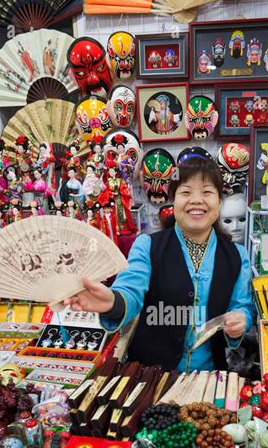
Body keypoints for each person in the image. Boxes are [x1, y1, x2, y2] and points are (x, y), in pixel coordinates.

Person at [64, 156, 255, 373]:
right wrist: (112, 302)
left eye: (207, 192)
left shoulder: (237, 256)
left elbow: (242, 305)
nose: (196, 200)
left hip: (208, 376)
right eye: (186, 192)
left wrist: (242, 319)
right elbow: (130, 289)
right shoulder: (147, 245)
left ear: (220, 201)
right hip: (150, 374)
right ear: (173, 201)